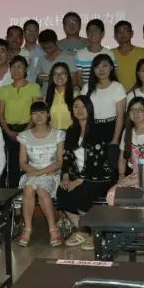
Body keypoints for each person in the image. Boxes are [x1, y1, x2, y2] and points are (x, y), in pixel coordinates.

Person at [57, 95, 114, 250]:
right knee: (62, 191)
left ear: (90, 109)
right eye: (76, 107)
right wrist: (65, 176)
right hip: (77, 175)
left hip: (99, 175)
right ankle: (82, 231)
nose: (80, 110)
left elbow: (98, 159)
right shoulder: (71, 130)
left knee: (81, 192)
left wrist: (79, 180)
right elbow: (67, 155)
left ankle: (96, 233)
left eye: (83, 106)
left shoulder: (98, 129)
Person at [16, 101, 65, 247]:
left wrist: (41, 172)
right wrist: (35, 173)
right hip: (32, 173)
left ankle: (53, 229)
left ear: (48, 114)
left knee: (42, 190)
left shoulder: (58, 134)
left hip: (51, 174)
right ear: (30, 116)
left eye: (42, 113)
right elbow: (22, 163)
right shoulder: (24, 136)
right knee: (28, 189)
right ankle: (27, 229)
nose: (39, 116)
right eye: (35, 113)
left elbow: (59, 162)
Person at [106, 97, 144, 205]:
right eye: (132, 110)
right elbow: (122, 158)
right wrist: (121, 176)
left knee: (139, 189)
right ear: (128, 113)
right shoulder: (127, 132)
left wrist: (135, 181)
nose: (136, 113)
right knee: (112, 194)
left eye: (140, 110)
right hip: (136, 173)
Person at [0, 55, 42, 187]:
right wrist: (8, 131)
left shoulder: (34, 87)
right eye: (13, 67)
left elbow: (36, 111)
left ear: (26, 69)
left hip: (28, 129)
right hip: (8, 130)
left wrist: (25, 131)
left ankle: (25, 191)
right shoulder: (4, 89)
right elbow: (0, 114)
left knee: (25, 162)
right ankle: (9, 192)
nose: (16, 70)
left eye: (20, 67)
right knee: (9, 163)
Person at [81, 54, 126, 143]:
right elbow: (82, 113)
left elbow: (120, 117)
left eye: (104, 66)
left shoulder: (118, 87)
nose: (101, 70)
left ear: (111, 67)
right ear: (93, 70)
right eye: (97, 67)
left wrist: (115, 139)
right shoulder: (87, 87)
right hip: (91, 128)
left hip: (112, 128)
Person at [75, 19, 115, 86]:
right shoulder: (79, 54)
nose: (93, 33)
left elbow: (112, 76)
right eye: (90, 30)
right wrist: (89, 91)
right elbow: (79, 79)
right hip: (87, 91)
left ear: (102, 34)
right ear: (87, 34)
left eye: (96, 30)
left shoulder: (109, 53)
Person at [112, 21, 144, 92]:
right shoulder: (110, 53)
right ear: (115, 36)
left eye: (126, 31)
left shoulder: (141, 52)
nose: (123, 34)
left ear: (132, 33)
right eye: (119, 32)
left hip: (138, 94)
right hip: (116, 95)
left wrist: (130, 93)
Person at [45, 62, 75, 130]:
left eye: (63, 73)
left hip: (71, 132)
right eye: (55, 74)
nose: (59, 76)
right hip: (52, 132)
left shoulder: (76, 95)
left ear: (68, 75)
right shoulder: (46, 97)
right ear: (51, 77)